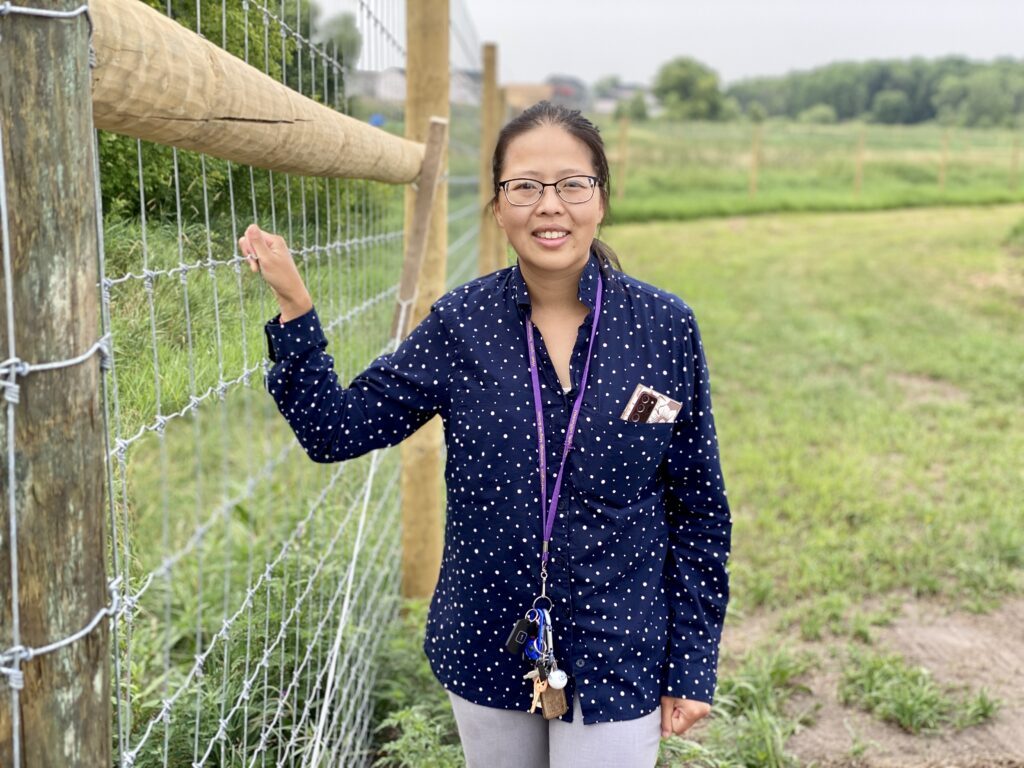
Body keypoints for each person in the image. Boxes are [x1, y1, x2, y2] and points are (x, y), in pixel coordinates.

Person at [238, 100, 731, 768]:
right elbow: (335, 430)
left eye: (571, 185)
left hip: (622, 641)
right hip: (486, 636)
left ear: (601, 199)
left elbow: (700, 508)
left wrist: (692, 664)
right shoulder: (462, 325)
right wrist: (296, 308)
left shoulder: (664, 329)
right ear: (498, 208)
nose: (548, 206)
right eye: (524, 187)